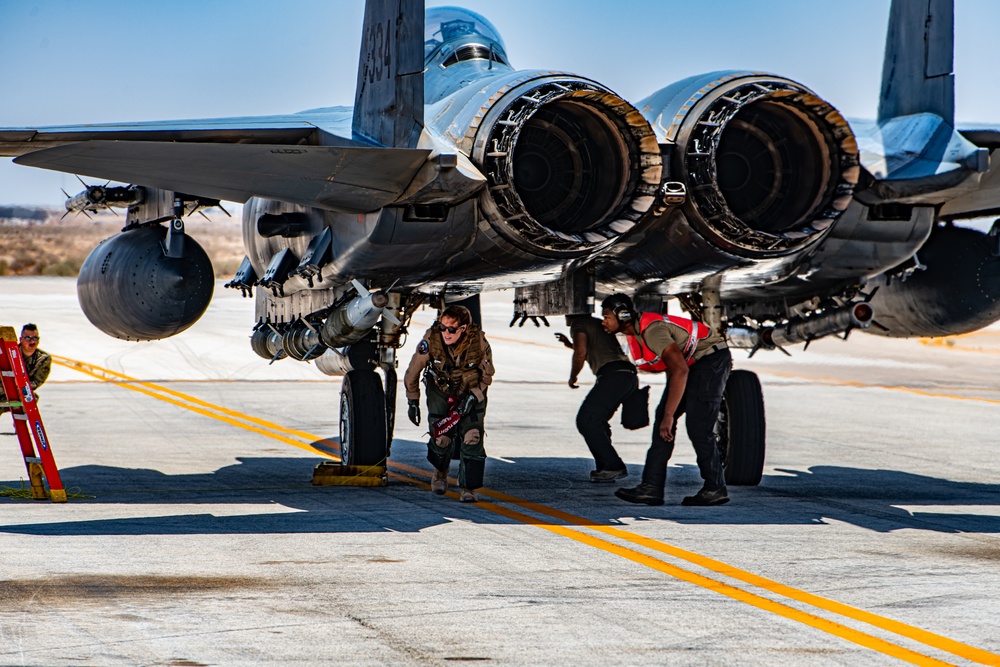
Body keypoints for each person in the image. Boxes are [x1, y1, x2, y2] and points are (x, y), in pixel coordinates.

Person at [600, 294, 733, 507]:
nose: (603, 321)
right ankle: (652, 487)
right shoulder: (637, 332)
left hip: (710, 362)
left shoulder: (652, 331)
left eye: (607, 316)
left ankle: (715, 488)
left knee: (698, 427)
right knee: (663, 418)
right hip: (692, 365)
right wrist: (667, 415)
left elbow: (679, 369)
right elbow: (676, 366)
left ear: (623, 315)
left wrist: (671, 415)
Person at [403, 305, 495, 503]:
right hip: (440, 391)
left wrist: (475, 396)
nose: (446, 333)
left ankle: (468, 487)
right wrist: (413, 400)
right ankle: (440, 472)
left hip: (471, 391)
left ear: (463, 328)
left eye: (451, 329)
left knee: (472, 436)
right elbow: (413, 371)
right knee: (441, 438)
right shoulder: (432, 339)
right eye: (443, 327)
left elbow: (487, 375)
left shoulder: (477, 341)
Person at [555, 314, 637, 482]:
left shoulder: (579, 324)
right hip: (627, 375)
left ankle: (612, 466)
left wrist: (573, 377)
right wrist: (569, 344)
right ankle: (605, 468)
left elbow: (581, 352)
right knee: (597, 421)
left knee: (587, 420)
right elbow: (593, 346)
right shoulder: (595, 323)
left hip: (614, 375)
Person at [1, 324, 51, 414]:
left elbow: (36, 382)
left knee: (31, 397)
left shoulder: (43, 359)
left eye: (35, 338)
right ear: (21, 339)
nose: (32, 341)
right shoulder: (10, 353)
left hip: (19, 392)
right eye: (28, 338)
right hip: (2, 388)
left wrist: (19, 383)